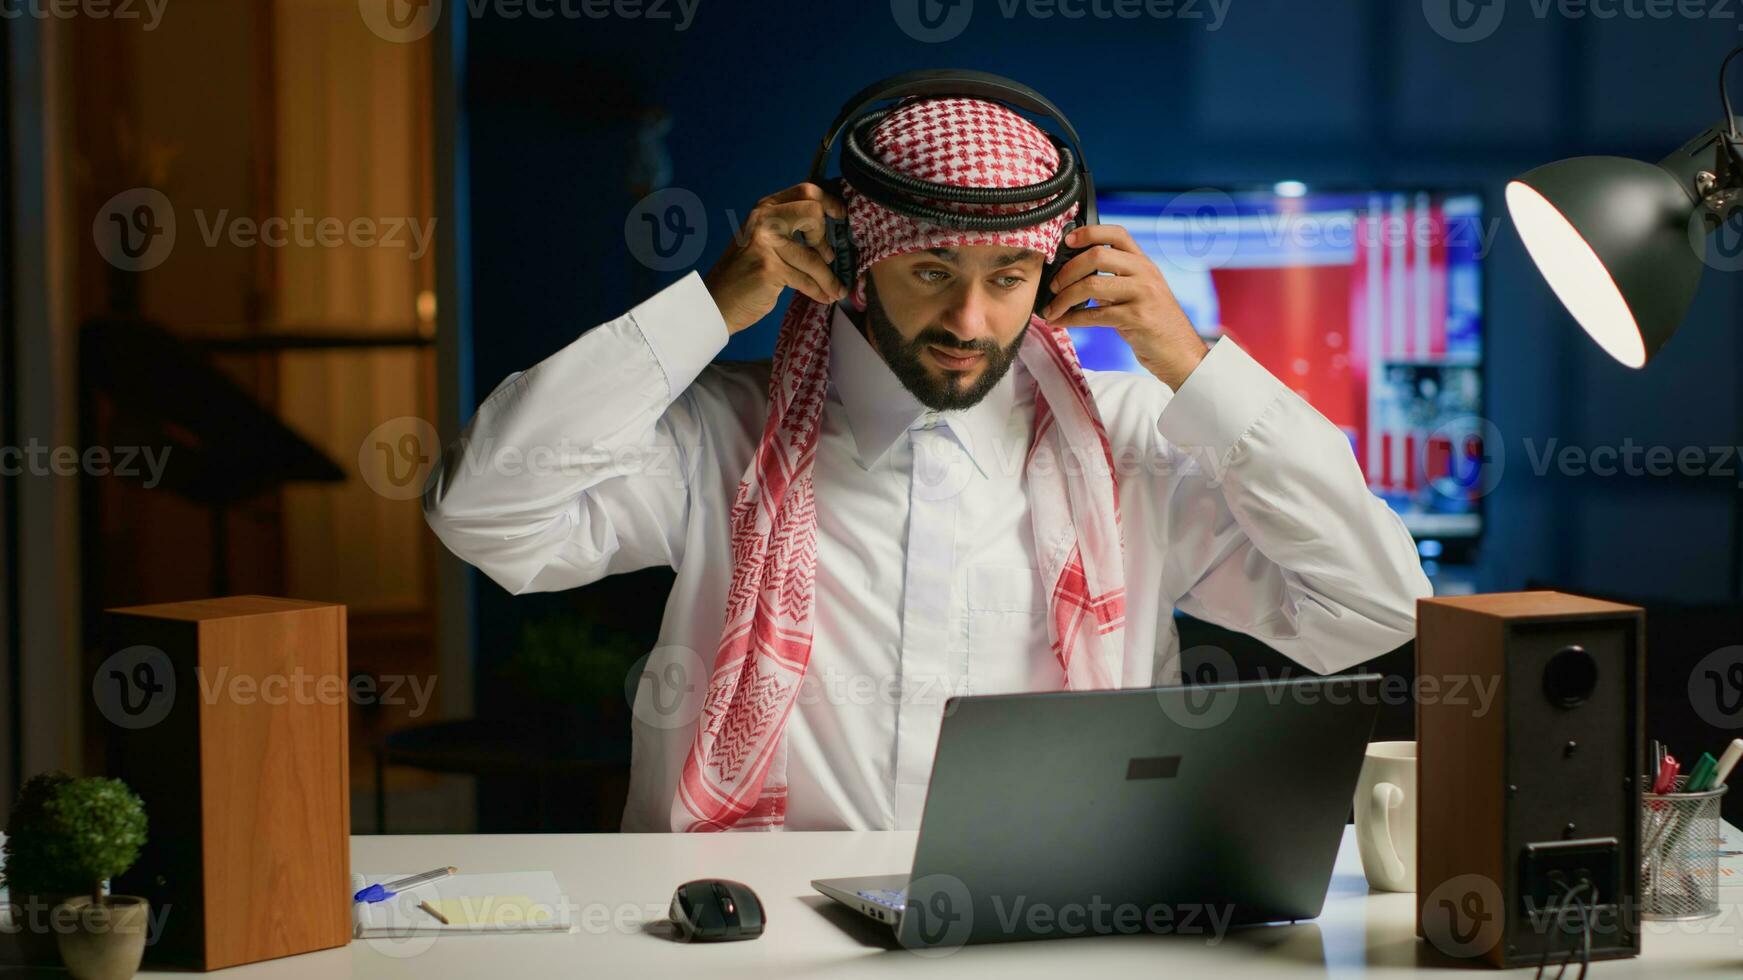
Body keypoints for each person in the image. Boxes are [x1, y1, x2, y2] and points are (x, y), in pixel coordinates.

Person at [423, 94, 1432, 833]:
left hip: (1056, 934)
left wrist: (1194, 365)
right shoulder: (722, 433)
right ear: (853, 263)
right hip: (754, 936)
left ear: (1055, 273)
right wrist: (712, 304)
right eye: (932, 270)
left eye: (1007, 277)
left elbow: (1375, 606)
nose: (969, 318)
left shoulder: (1136, 440)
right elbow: (485, 513)